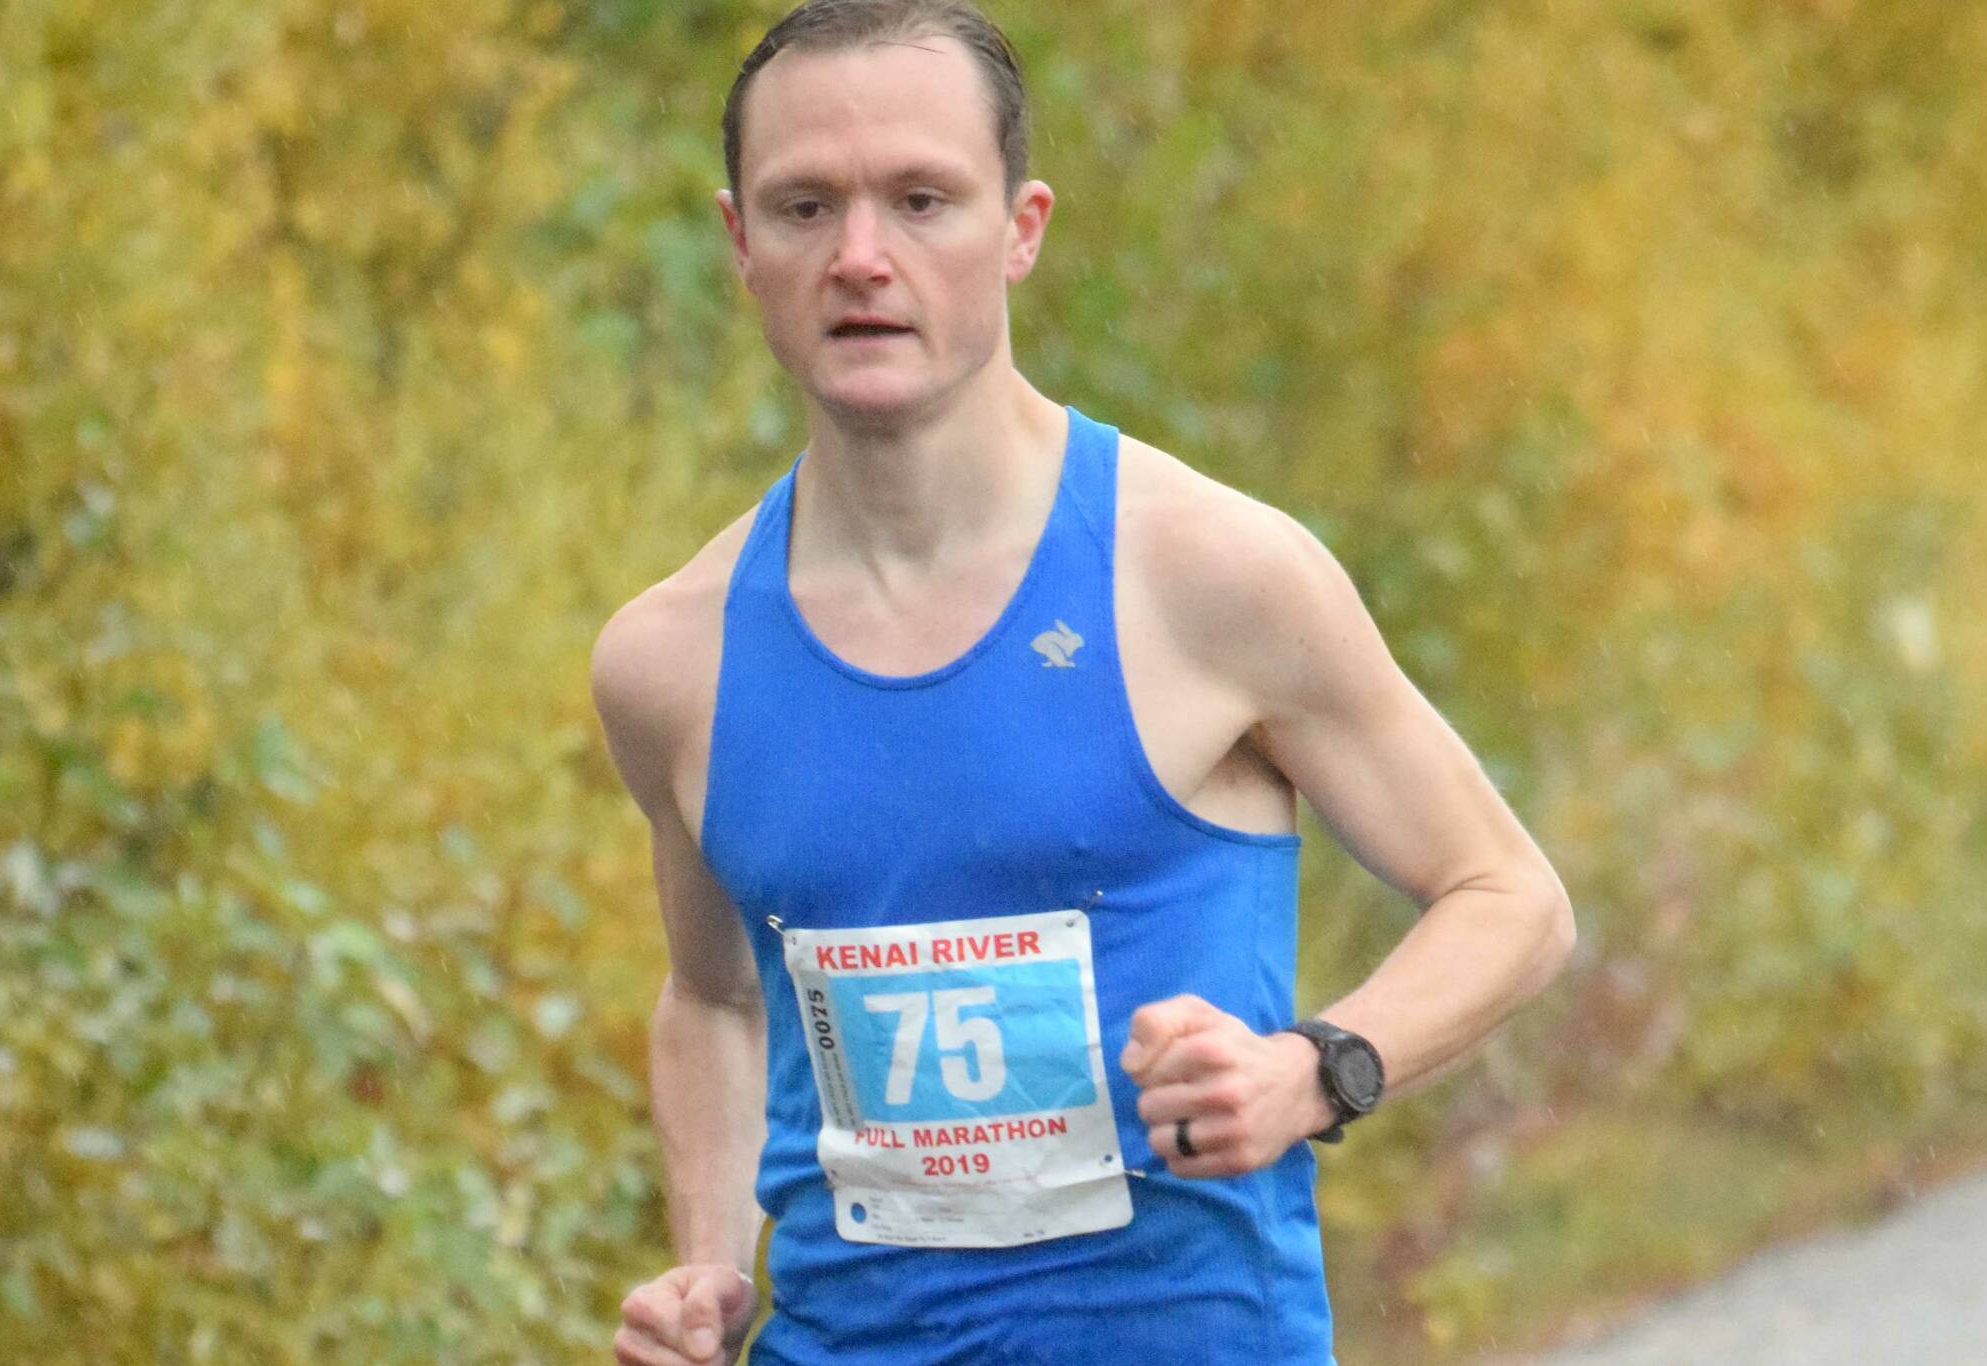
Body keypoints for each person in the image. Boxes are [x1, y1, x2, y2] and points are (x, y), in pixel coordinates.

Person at [591, 2, 1575, 1361]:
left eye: (922, 199)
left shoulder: (1209, 575)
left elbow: (1512, 898)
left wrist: (1311, 1070)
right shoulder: (669, 659)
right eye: (805, 205)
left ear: (1021, 229)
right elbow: (713, 993)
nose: (861, 257)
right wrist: (704, 1263)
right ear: (740, 243)